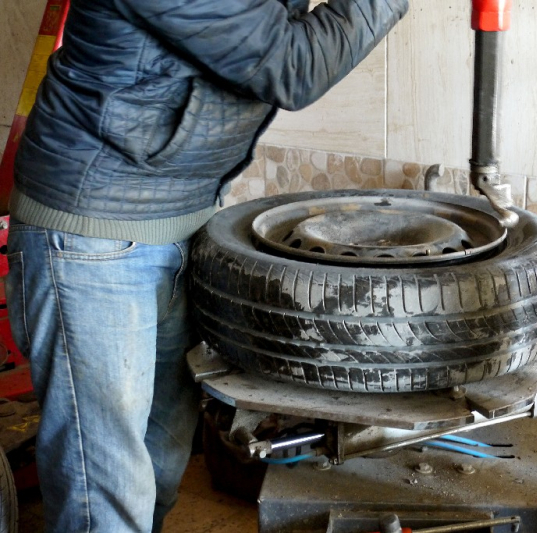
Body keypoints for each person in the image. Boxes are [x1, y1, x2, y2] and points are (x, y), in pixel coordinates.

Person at [4, 0, 408, 530]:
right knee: (103, 491)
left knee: (162, 461)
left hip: (181, 221)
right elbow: (292, 63)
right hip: (90, 234)